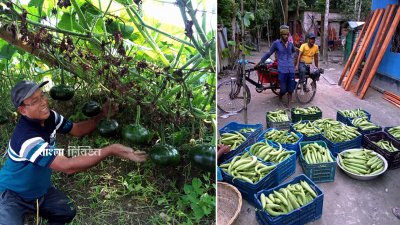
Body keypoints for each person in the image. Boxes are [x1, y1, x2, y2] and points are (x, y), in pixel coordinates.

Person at [0, 80, 148, 224]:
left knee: (67, 210)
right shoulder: (26, 139)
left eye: (42, 96)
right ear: (22, 110)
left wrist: (101, 115)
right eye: (34, 101)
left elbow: (76, 129)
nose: (43, 102)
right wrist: (111, 150)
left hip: (40, 192)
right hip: (12, 195)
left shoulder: (51, 117)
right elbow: (68, 166)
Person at [256, 25, 296, 107]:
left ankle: (289, 105)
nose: (286, 36)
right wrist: (260, 62)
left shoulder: (291, 44)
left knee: (291, 89)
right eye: (284, 35)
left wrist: (292, 59)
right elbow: (268, 53)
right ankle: (280, 97)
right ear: (281, 35)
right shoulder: (276, 43)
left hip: (291, 70)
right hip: (282, 70)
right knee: (283, 89)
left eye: (287, 35)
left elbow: (294, 52)